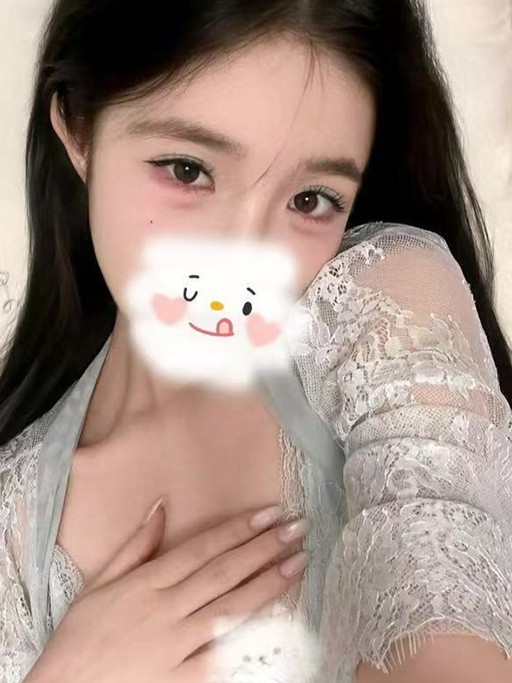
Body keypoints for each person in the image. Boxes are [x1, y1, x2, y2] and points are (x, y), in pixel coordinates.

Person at [1, 0, 512, 681]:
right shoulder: (13, 528)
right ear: (79, 128)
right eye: (188, 170)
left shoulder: (380, 314)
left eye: (310, 200)